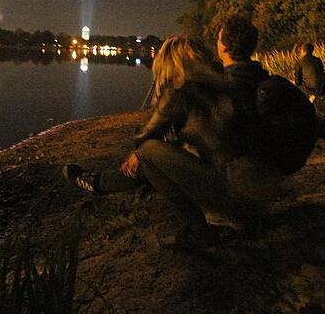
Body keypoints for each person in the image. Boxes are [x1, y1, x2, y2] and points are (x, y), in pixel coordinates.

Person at [63, 20, 280, 249]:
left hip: (236, 196)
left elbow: (145, 137)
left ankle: (199, 229)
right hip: (264, 190)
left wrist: (142, 150)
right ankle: (98, 182)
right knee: (159, 154)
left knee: (148, 152)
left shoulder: (184, 88)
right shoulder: (233, 80)